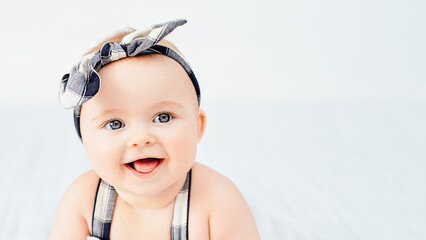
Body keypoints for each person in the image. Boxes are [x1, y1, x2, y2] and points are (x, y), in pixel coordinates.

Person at [49, 19, 260, 239]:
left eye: (163, 117)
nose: (141, 138)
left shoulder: (218, 201)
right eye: (115, 124)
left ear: (197, 127)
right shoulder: (84, 200)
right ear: (85, 138)